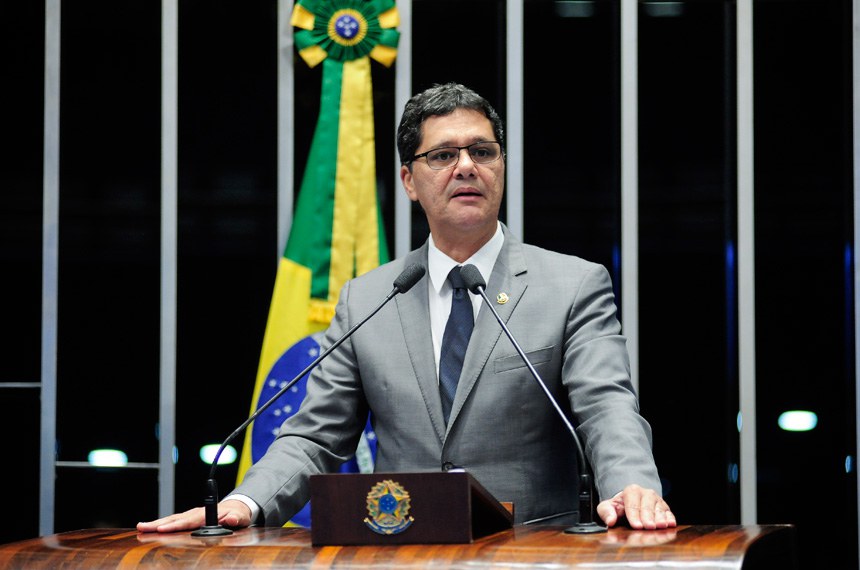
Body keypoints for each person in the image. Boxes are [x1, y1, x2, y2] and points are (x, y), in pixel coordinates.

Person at [138, 82, 675, 533]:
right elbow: (314, 436)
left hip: (532, 553)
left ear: (501, 167)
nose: (466, 166)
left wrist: (634, 486)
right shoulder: (368, 298)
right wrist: (243, 504)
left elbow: (606, 407)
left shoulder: (573, 284)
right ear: (408, 181)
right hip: (402, 551)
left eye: (482, 152)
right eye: (443, 155)